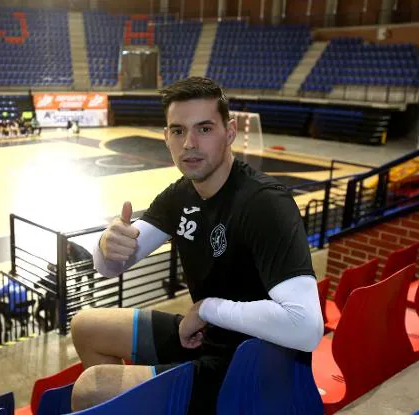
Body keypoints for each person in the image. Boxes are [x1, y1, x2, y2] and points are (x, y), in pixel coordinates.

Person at [69, 77, 324, 414]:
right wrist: (106, 244)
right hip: (205, 335)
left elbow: (306, 328)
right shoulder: (181, 195)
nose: (189, 143)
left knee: (90, 388)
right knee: (85, 326)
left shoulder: (265, 204)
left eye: (204, 129)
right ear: (166, 137)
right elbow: (110, 266)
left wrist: (206, 308)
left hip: (245, 363)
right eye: (178, 131)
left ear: (230, 132)